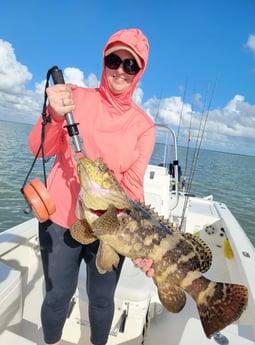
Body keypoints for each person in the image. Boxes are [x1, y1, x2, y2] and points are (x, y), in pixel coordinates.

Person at [29, 28, 155, 345]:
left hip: (110, 231)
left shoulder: (144, 126)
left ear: (140, 72)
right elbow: (39, 149)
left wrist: (141, 244)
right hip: (60, 221)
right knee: (57, 296)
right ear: (104, 60)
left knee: (101, 300)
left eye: (131, 65)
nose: (121, 70)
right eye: (114, 59)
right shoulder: (73, 97)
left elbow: (133, 188)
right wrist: (55, 116)